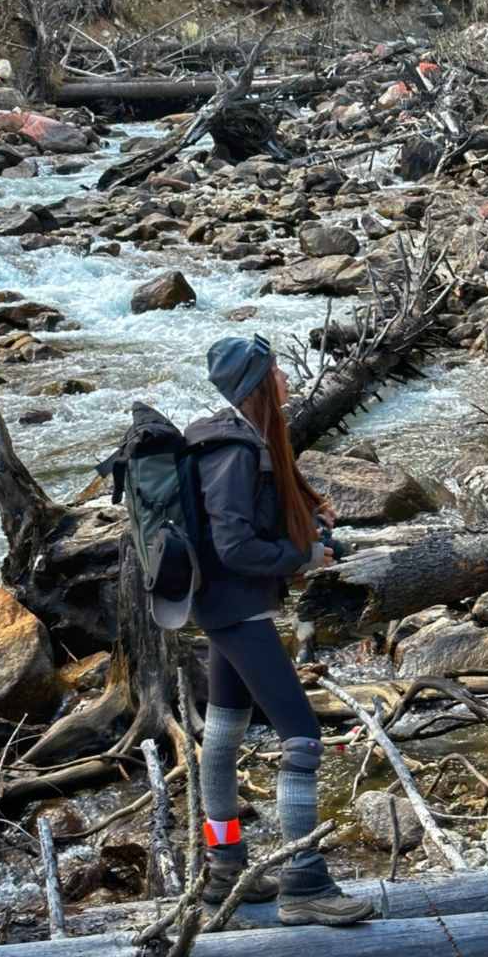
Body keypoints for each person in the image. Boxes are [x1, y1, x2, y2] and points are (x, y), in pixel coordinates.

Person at [184, 333, 374, 927]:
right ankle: (304, 882)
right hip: (237, 609)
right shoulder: (236, 450)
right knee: (302, 736)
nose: (286, 380)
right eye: (278, 372)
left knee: (222, 734)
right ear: (257, 384)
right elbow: (234, 543)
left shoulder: (233, 437)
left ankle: (224, 867)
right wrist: (301, 559)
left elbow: (246, 523)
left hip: (224, 606)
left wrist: (307, 520)